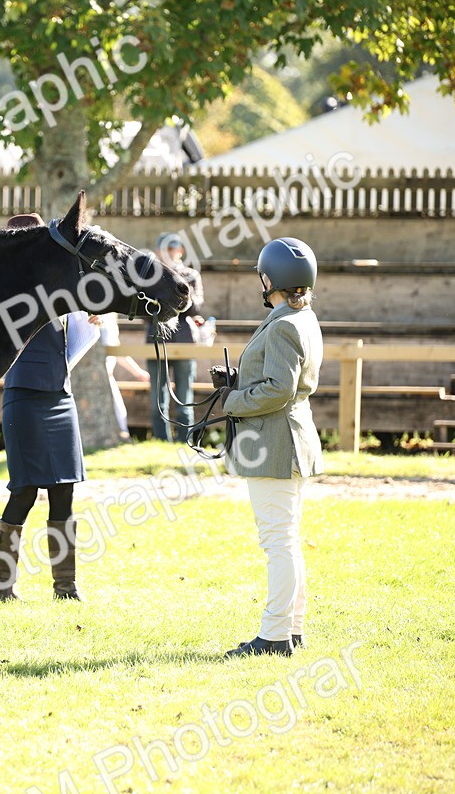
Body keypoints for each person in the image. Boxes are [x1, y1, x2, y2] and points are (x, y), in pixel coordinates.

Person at [220, 237, 323, 658]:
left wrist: (230, 400)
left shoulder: (283, 324)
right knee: (287, 539)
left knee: (277, 542)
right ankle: (292, 628)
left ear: (272, 278)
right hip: (291, 437)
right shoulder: (305, 318)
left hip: (274, 442)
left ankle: (275, 635)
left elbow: (279, 389)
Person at [0, 212, 94, 603]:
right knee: (24, 491)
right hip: (23, 397)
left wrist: (87, 318)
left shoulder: (56, 287)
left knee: (64, 491)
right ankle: (4, 587)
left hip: (59, 395)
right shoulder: (4, 291)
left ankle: (65, 588)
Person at [147, 233, 204, 441]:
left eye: (173, 249)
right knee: (157, 399)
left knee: (184, 399)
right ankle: (162, 442)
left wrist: (173, 286)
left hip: (185, 340)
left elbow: (196, 307)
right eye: (165, 250)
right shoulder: (150, 275)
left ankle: (186, 441)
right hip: (156, 338)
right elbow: (145, 309)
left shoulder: (190, 275)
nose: (170, 253)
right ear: (158, 252)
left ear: (180, 251)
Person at [100, 317, 151, 439]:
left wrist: (138, 372)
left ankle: (122, 437)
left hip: (108, 378)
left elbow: (116, 349)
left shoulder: (111, 320)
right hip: (98, 379)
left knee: (120, 413)